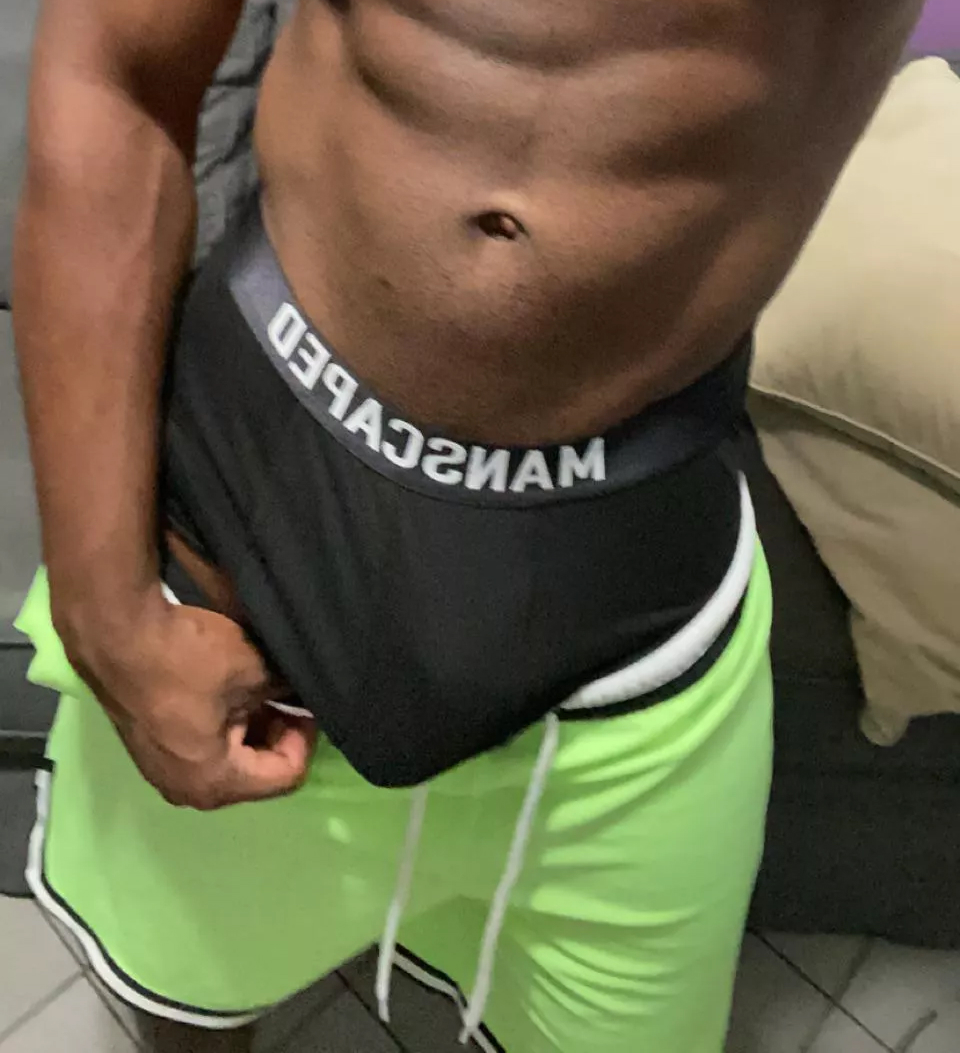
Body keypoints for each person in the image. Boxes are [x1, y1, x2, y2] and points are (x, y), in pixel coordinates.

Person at [12, 1, 922, 1051]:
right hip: (241, 565)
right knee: (185, 1007)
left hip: (636, 652)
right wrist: (105, 615)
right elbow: (116, 75)